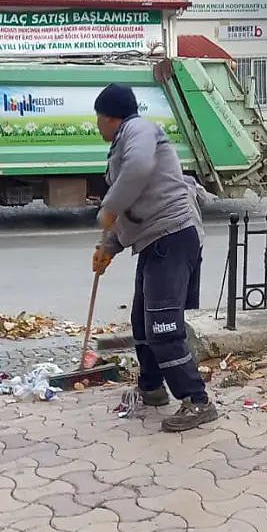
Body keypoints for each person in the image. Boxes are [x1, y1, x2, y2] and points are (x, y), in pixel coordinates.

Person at [90, 83, 218, 433]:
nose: (96, 125)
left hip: (172, 236)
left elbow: (138, 171)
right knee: (142, 322)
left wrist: (109, 206)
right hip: (153, 241)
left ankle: (197, 400)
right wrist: (108, 248)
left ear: (108, 117)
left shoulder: (139, 130)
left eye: (97, 118)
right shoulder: (125, 141)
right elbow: (131, 205)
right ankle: (151, 388)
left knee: (163, 326)